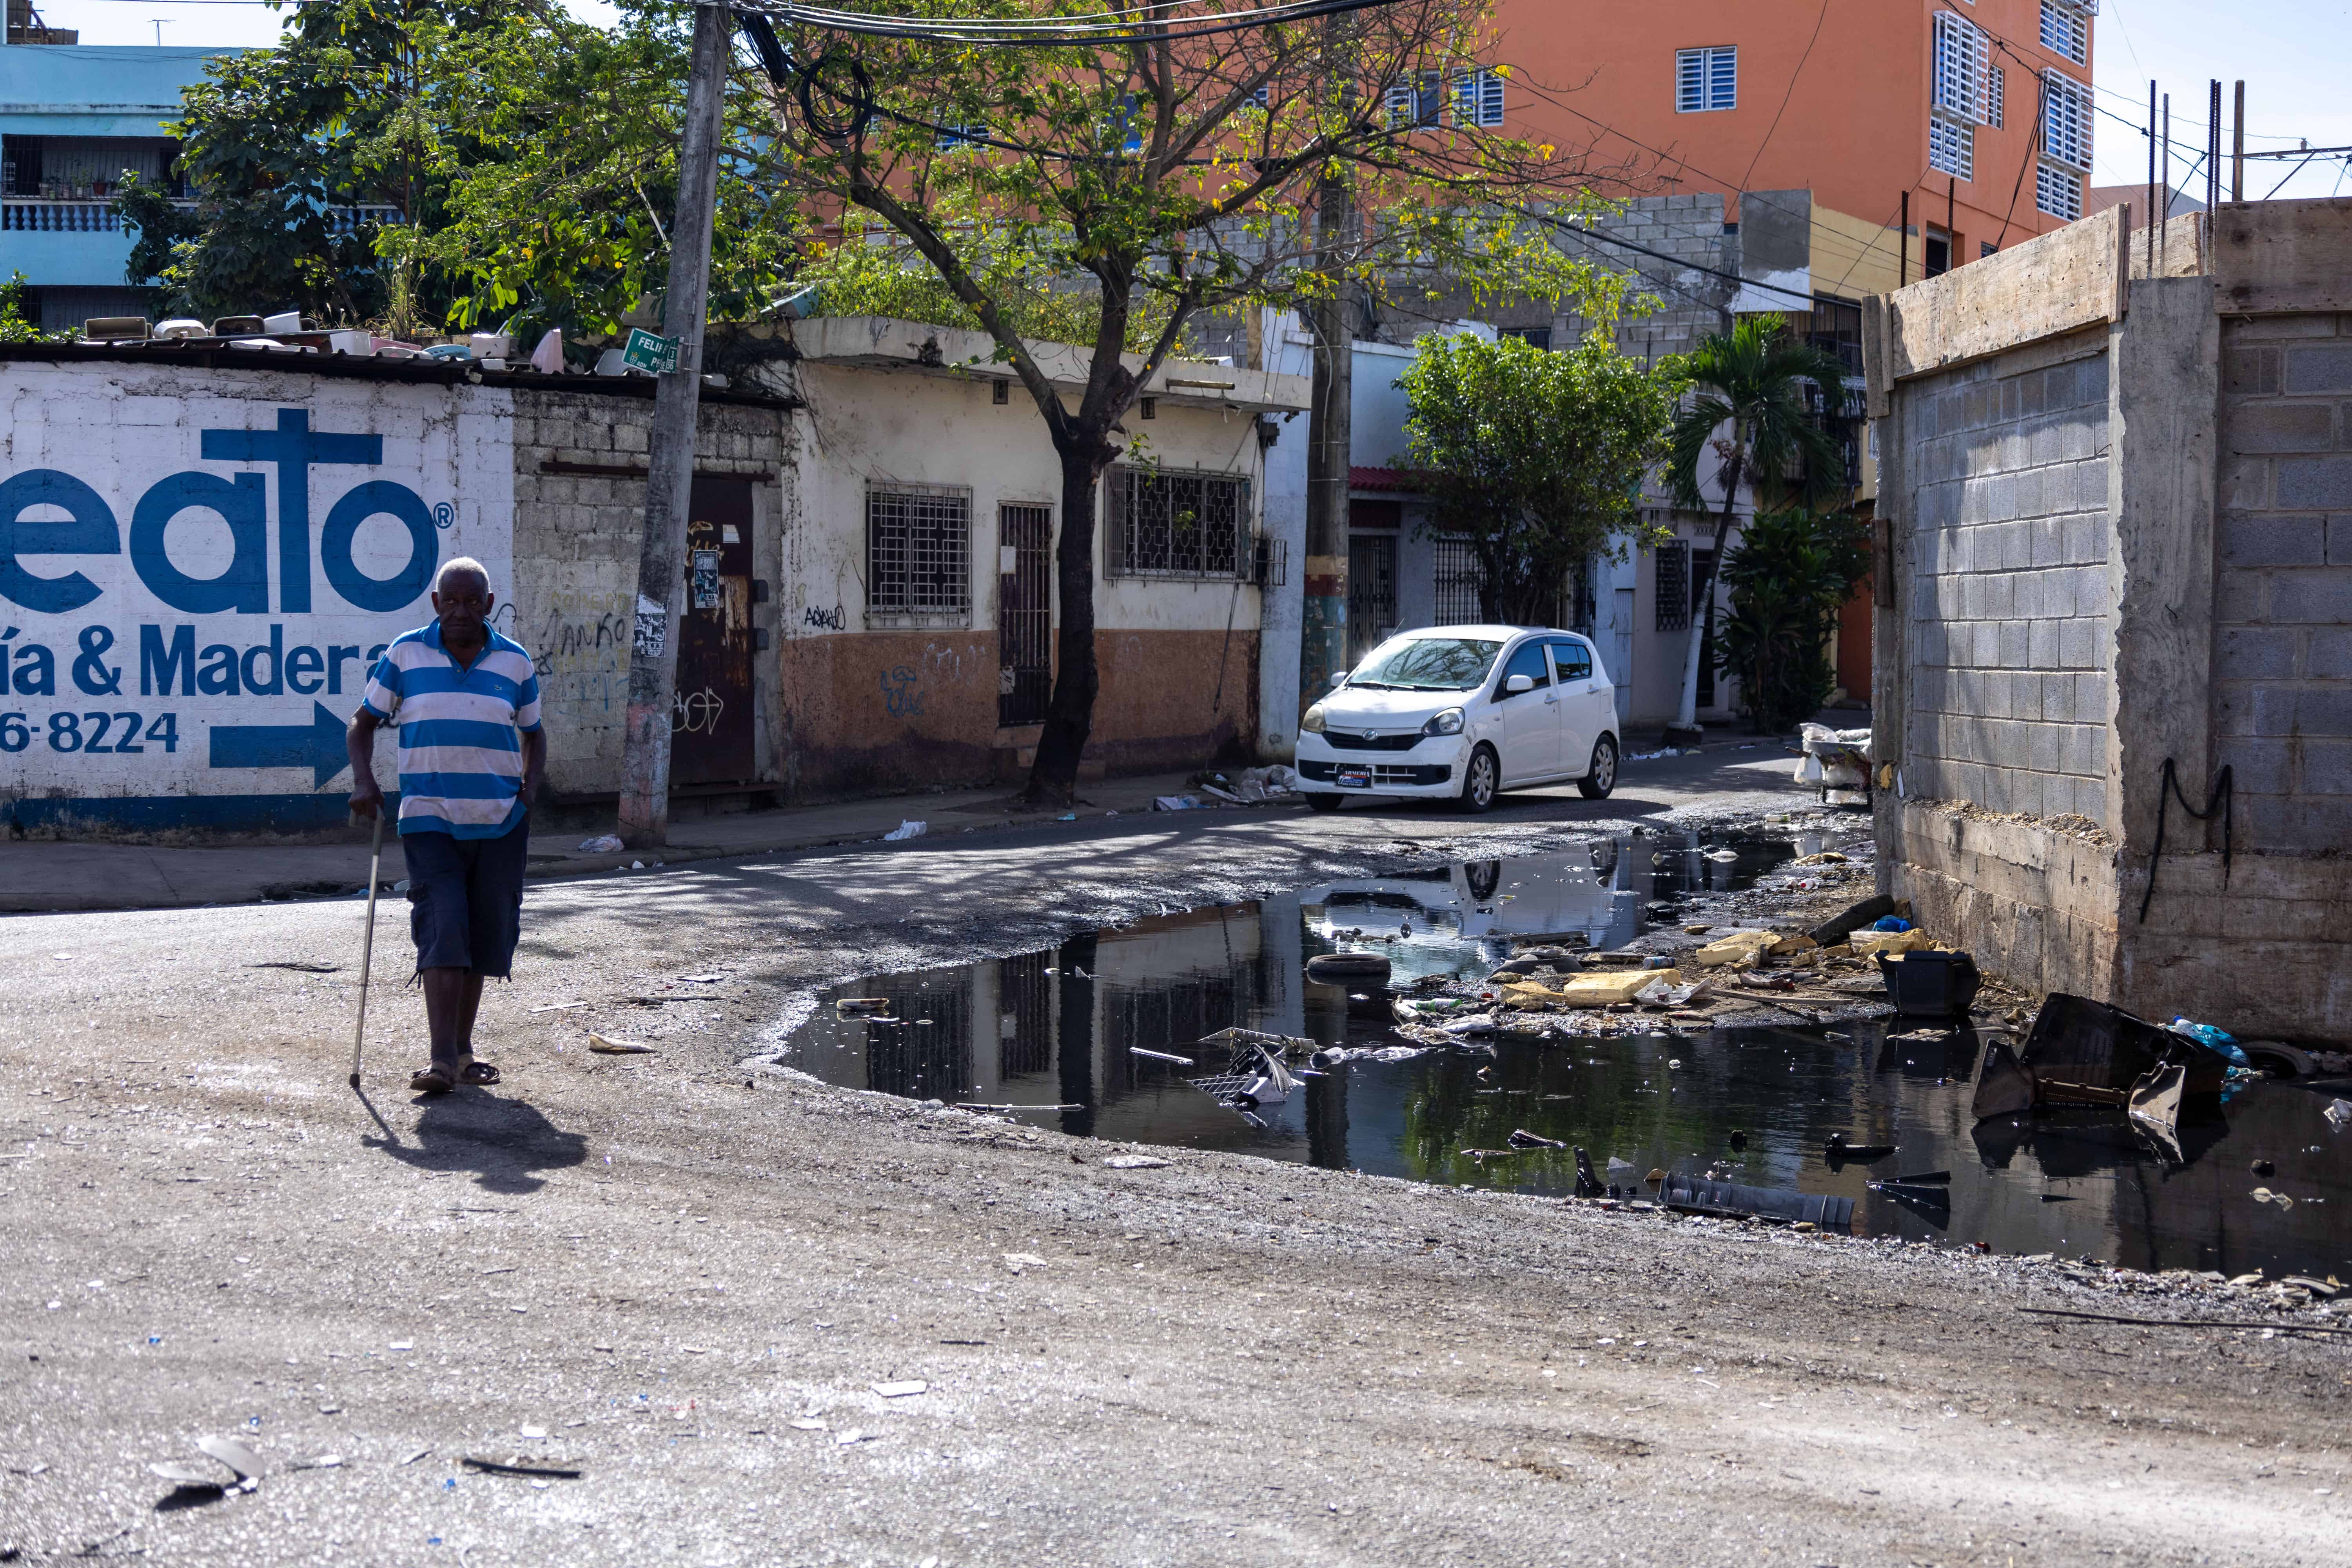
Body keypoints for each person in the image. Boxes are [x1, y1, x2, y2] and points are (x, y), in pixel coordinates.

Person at [347, 557, 546, 1094]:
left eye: (471, 601)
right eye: (450, 601)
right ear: (436, 604)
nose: (461, 611)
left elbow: (535, 733)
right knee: (444, 924)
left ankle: (461, 1053)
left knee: (484, 931)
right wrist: (365, 782)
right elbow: (362, 725)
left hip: (500, 822)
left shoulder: (515, 663)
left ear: (488, 604)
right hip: (429, 820)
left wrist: (528, 792)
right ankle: (439, 1060)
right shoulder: (406, 654)